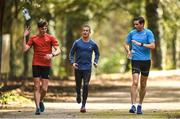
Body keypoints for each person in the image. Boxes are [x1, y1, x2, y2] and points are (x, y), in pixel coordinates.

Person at [23, 18, 61, 115]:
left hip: (46, 65)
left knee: (44, 89)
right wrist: (24, 37)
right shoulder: (33, 38)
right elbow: (24, 49)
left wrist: (52, 54)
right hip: (36, 64)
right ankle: (37, 108)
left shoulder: (51, 38)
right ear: (38, 28)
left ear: (46, 28)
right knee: (36, 87)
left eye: (45, 28)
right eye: (42, 28)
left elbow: (58, 50)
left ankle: (41, 100)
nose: (43, 30)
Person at [124, 16, 155, 114]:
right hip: (135, 60)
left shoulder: (148, 33)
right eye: (134, 24)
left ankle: (140, 105)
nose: (135, 26)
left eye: (137, 24)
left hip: (146, 61)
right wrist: (128, 51)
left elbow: (153, 46)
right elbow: (126, 43)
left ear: (142, 24)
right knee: (135, 82)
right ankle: (133, 105)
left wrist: (140, 44)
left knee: (143, 84)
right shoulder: (132, 33)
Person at [69, 25, 100, 113]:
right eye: (84, 30)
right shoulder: (77, 43)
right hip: (78, 67)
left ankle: (83, 105)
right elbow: (71, 54)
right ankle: (78, 94)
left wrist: (95, 61)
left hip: (87, 68)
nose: (85, 32)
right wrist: (72, 63)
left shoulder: (93, 44)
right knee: (78, 85)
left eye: (87, 31)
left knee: (86, 85)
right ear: (81, 32)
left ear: (89, 32)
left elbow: (97, 54)